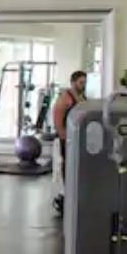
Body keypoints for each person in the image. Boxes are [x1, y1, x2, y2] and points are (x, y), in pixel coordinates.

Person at [52, 70, 88, 211]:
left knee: (76, 170)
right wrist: (65, 139)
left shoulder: (82, 97)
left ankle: (75, 199)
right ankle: (64, 199)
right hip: (66, 140)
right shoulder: (65, 98)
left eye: (84, 82)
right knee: (66, 169)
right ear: (73, 82)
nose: (83, 85)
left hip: (77, 140)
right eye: (81, 82)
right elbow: (57, 121)